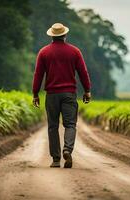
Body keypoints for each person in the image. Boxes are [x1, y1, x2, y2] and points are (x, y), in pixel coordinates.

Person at [32, 23, 91, 168]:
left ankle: (56, 159)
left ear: (52, 35)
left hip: (51, 95)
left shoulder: (44, 52)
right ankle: (67, 149)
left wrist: (35, 93)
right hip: (69, 94)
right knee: (70, 124)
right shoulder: (75, 51)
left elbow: (38, 75)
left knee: (53, 126)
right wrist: (87, 90)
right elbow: (83, 72)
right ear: (65, 35)